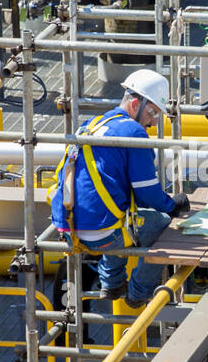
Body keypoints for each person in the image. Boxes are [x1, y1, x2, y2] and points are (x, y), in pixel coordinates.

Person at [51, 69, 191, 308]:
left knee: (118, 211)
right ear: (136, 103)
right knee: (160, 224)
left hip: (67, 226)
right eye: (153, 112)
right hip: (103, 233)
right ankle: (138, 292)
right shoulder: (133, 133)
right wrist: (172, 205)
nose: (154, 121)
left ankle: (112, 283)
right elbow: (147, 193)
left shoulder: (91, 124)